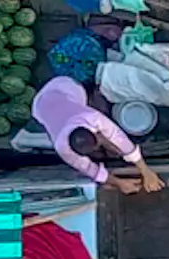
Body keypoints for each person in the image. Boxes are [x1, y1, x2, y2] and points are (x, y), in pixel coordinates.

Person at [31, 74, 162, 194]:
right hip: (39, 106)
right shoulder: (62, 147)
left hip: (62, 87)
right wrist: (119, 183)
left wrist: (145, 170)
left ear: (94, 132)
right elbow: (88, 168)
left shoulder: (90, 117)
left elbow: (119, 138)